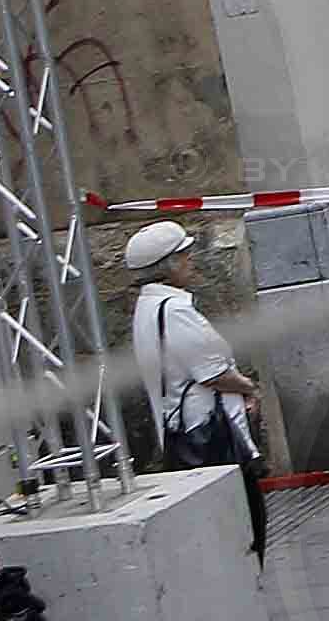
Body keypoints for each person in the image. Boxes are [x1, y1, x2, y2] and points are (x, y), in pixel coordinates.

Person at [118, 217, 263, 559]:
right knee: (244, 531)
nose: (190, 261)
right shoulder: (174, 311)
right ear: (168, 266)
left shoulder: (149, 308)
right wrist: (249, 387)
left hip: (185, 432)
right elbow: (212, 373)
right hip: (210, 436)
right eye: (183, 256)